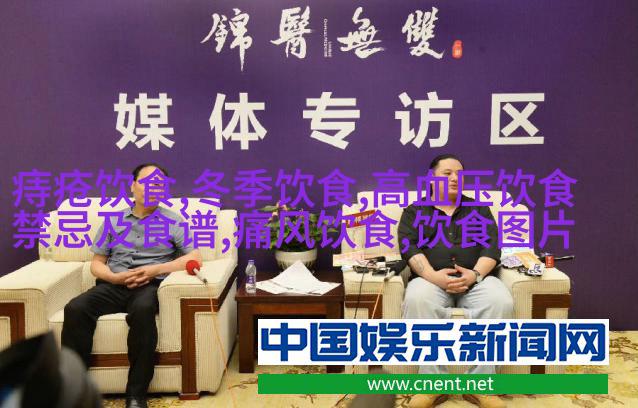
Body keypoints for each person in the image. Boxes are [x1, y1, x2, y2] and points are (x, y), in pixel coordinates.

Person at [61, 163, 202, 408]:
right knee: (75, 308)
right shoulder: (113, 220)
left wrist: (156, 270)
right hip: (113, 285)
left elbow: (195, 258)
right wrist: (114, 278)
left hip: (149, 286)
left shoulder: (173, 220)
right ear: (133, 186)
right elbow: (97, 263)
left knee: (143, 311)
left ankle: (136, 395)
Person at [399, 154, 513, 408]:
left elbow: (492, 246)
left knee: (500, 299)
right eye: (447, 173)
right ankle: (432, 386)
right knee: (417, 297)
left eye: (459, 174)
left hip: (476, 279)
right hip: (430, 280)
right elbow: (408, 247)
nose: (454, 179)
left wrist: (475, 274)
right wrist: (433, 276)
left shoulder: (479, 210)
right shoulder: (414, 212)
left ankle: (480, 386)